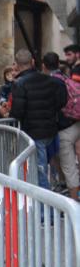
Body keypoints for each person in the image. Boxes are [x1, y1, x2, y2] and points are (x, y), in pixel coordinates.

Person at [10, 49, 66, 190]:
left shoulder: (20, 84)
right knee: (49, 165)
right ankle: (54, 191)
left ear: (16, 65)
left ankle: (44, 207)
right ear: (33, 62)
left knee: (40, 170)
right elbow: (61, 102)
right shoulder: (50, 80)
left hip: (34, 132)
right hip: (51, 130)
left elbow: (17, 112)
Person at [43, 52, 79, 200]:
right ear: (58, 64)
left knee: (69, 167)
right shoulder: (66, 79)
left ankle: (74, 204)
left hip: (64, 129)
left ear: (44, 66)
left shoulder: (49, 82)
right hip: (76, 122)